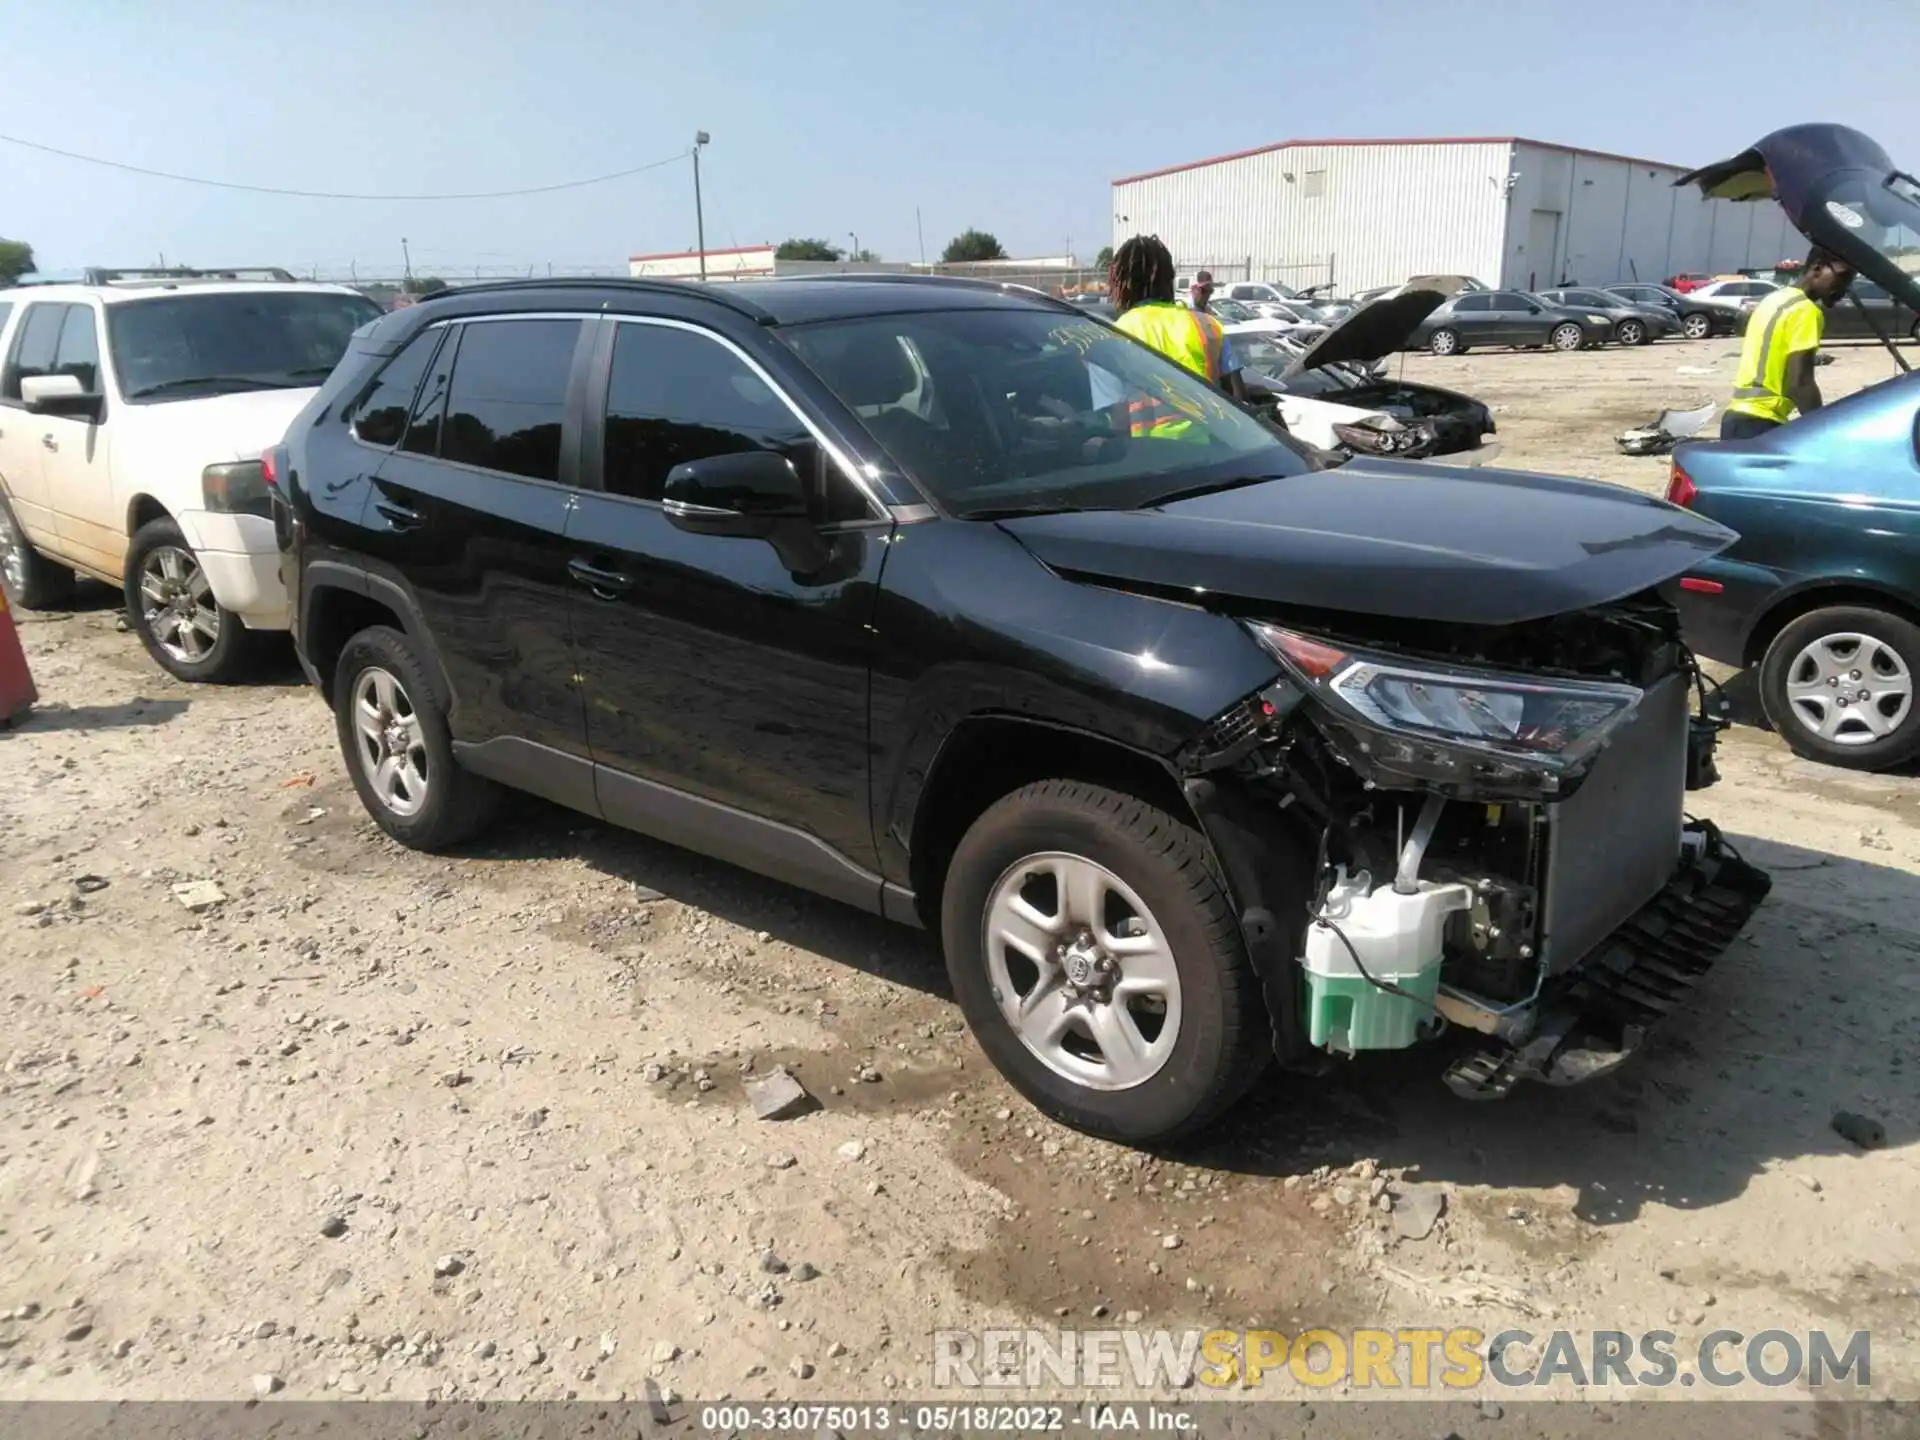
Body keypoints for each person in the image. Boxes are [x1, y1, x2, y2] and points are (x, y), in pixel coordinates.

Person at [1719, 246, 1856, 440]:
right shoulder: (1805, 310)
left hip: (1736, 418)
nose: (1844, 288)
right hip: (1761, 424)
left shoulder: (1774, 299)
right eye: (1842, 277)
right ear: (1817, 268)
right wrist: (1823, 431)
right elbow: (1800, 382)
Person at [1107, 236, 1247, 402]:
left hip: (1143, 429)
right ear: (1169, 278)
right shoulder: (1207, 325)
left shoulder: (1113, 336)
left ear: (1120, 283)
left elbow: (1113, 416)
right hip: (1210, 428)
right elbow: (1240, 401)